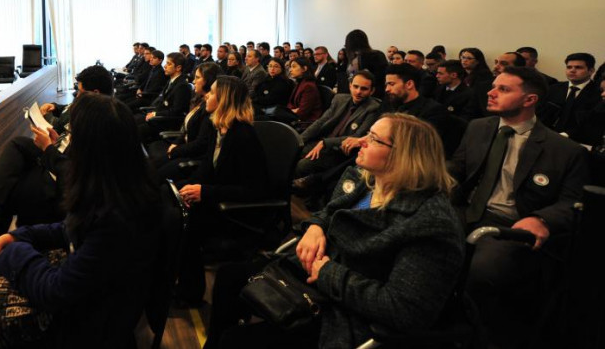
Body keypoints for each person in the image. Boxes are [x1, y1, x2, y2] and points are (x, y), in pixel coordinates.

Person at [205, 114, 464, 349]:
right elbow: (327, 213)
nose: (361, 141)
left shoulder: (431, 223)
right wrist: (315, 227)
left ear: (402, 155)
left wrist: (328, 273)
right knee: (229, 278)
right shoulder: (364, 181)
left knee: (237, 342)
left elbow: (403, 309)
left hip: (347, 308)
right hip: (314, 274)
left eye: (373, 139)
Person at [0, 93, 161, 348]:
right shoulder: (120, 187)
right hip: (94, 310)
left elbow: (53, 292)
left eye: (74, 136)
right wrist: (14, 236)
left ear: (91, 150)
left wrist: (13, 251)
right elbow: (69, 228)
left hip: (88, 330)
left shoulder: (116, 217)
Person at [0, 65, 114, 309]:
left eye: (79, 93)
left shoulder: (102, 125)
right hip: (57, 164)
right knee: (17, 146)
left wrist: (48, 149)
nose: (75, 96)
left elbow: (74, 175)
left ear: (94, 93)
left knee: (7, 196)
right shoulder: (92, 111)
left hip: (63, 187)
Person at [449, 66, 588, 347]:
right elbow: (457, 170)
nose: (491, 92)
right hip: (465, 211)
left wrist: (543, 220)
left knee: (482, 272)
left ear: (529, 100)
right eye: (494, 86)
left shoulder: (563, 150)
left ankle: (475, 336)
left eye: (503, 89)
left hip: (510, 224)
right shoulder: (478, 127)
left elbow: (573, 202)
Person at [176, 76, 270, 304]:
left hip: (236, 210)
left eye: (213, 93)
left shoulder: (243, 136)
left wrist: (205, 192)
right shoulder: (218, 128)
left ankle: (190, 294)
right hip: (218, 197)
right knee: (171, 207)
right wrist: (190, 187)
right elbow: (208, 168)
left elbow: (255, 191)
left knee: (183, 226)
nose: (206, 95)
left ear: (224, 100)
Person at [147, 61, 220, 179]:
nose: (194, 81)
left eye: (197, 78)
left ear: (209, 81)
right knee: (148, 168)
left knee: (153, 176)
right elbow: (186, 130)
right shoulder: (199, 100)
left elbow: (200, 144)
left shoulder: (211, 107)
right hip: (184, 148)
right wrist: (175, 143)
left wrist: (176, 150)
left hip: (192, 156)